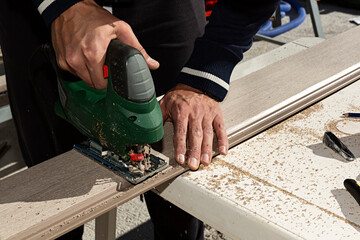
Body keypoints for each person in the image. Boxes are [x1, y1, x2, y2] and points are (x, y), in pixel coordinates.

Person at [0, 0, 279, 239]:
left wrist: (204, 77)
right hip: (36, 11)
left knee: (180, 190)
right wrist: (61, 6)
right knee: (48, 206)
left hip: (164, 7)